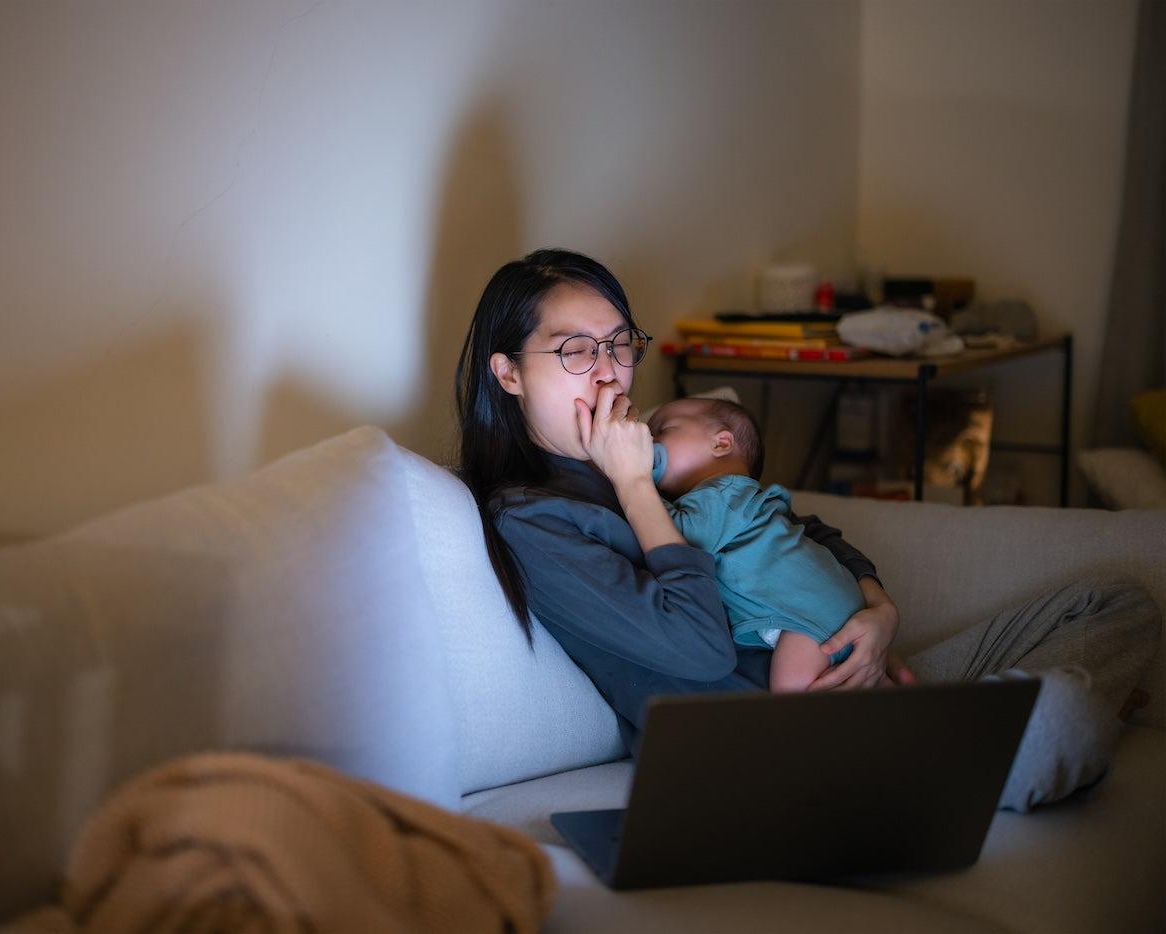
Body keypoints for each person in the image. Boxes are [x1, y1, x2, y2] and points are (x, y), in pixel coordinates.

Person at [454, 247, 1159, 811]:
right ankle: (995, 751)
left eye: (619, 345)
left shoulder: (642, 454)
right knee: (1058, 717)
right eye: (576, 351)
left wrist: (878, 611)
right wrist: (636, 487)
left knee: (1115, 602)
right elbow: (696, 649)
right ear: (508, 373)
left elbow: (793, 522)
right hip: (780, 743)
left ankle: (988, 743)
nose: (610, 376)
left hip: (853, 679)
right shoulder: (535, 519)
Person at [647, 396, 863, 692]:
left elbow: (682, 540)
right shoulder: (732, 500)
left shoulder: (723, 492)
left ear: (721, 443)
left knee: (792, 698)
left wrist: (637, 483)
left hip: (811, 614)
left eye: (662, 429)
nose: (649, 439)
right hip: (823, 606)